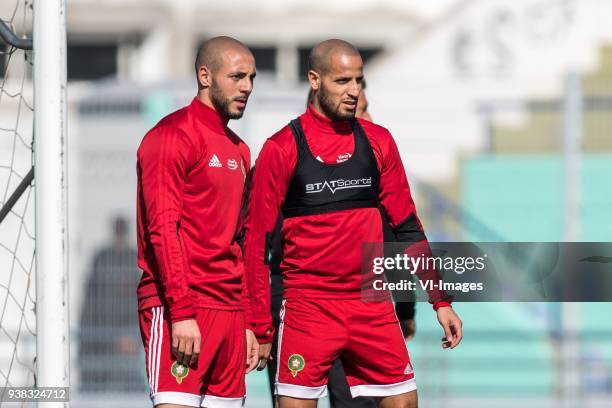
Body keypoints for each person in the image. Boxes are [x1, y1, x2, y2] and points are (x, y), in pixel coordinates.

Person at [243, 39, 462, 408]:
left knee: (405, 402)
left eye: (358, 81)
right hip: (307, 308)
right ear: (314, 79)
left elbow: (407, 227)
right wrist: (259, 324)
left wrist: (440, 301)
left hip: (370, 306)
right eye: (342, 81)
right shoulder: (281, 148)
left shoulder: (379, 142)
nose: (354, 91)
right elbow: (255, 244)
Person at [136, 36, 258, 408]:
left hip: (231, 314)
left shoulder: (240, 150)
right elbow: (162, 229)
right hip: (182, 309)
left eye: (251, 77)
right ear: (205, 76)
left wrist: (249, 321)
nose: (247, 87)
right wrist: (182, 313)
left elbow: (241, 240)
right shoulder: (171, 136)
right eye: (237, 76)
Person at [79, 216, 142, 392]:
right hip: (100, 329)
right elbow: (94, 297)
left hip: (126, 333)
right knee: (97, 382)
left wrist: (130, 332)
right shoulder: (102, 257)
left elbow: (137, 298)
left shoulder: (132, 258)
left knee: (130, 383)